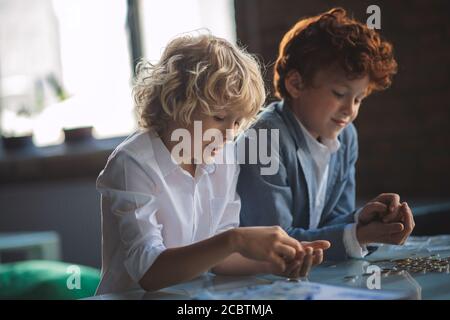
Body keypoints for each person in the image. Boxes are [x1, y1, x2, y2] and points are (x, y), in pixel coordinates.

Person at [95, 32, 330, 294]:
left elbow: (220, 258)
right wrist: (235, 240)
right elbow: (148, 272)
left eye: (238, 123)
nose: (230, 134)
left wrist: (273, 264)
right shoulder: (133, 163)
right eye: (219, 117)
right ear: (175, 101)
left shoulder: (223, 154)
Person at [237, 8, 415, 260]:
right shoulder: (264, 140)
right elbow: (273, 242)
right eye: (339, 94)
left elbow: (329, 220)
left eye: (359, 99)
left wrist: (361, 220)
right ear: (295, 84)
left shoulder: (345, 136)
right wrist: (358, 236)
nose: (349, 110)